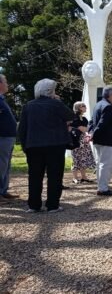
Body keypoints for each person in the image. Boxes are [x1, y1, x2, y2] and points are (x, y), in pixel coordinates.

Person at [17, 79, 74, 212]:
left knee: (34, 176)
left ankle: (34, 205)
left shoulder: (28, 106)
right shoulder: (56, 104)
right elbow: (70, 116)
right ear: (50, 91)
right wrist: (58, 101)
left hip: (34, 145)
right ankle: (52, 205)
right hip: (55, 144)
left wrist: (25, 146)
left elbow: (22, 129)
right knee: (55, 175)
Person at [89, 87, 112, 196]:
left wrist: (91, 133)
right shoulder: (107, 107)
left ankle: (101, 186)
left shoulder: (98, 105)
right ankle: (103, 188)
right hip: (107, 140)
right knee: (106, 164)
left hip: (99, 139)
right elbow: (102, 123)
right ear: (110, 95)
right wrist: (93, 134)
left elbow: (91, 122)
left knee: (100, 164)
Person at [0, 74, 18, 200]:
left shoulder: (2, 100)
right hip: (2, 138)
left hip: (8, 138)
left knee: (5, 166)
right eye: (5, 82)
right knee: (1, 165)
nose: (7, 84)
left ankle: (3, 190)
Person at [70, 102, 95, 184]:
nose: (85, 107)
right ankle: (75, 177)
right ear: (78, 108)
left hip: (83, 139)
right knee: (76, 157)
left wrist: (84, 128)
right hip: (76, 139)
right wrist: (83, 128)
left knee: (83, 157)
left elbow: (86, 129)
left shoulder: (83, 118)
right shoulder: (74, 117)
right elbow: (82, 128)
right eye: (83, 106)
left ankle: (84, 177)